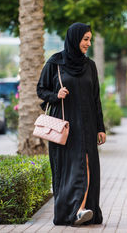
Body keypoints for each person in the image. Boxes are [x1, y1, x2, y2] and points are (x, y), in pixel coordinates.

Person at [37, 22, 106, 226]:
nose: (88, 43)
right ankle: (72, 211)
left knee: (86, 164)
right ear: (75, 39)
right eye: (85, 39)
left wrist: (101, 127)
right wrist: (55, 95)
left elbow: (96, 99)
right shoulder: (55, 63)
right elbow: (41, 90)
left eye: (90, 39)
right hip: (65, 126)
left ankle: (82, 209)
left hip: (87, 124)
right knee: (69, 168)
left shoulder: (90, 65)